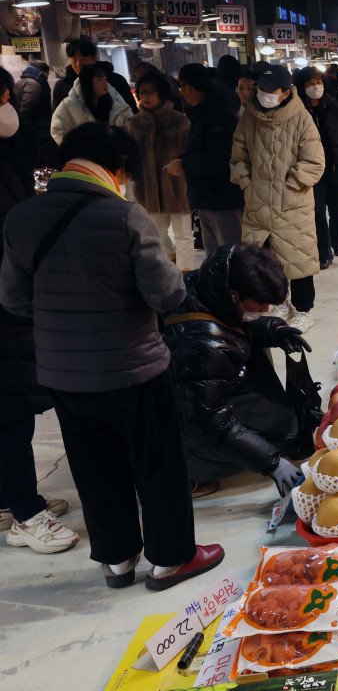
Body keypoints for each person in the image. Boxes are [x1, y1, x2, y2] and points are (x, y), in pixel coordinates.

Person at [0, 122, 223, 589]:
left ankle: (118, 561)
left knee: (93, 468)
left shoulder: (21, 218)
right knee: (156, 463)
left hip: (64, 375)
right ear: (116, 168)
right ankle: (171, 558)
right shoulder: (125, 215)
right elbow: (166, 295)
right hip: (133, 367)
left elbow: (15, 301)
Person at [0, 67, 77, 554]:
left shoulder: (16, 146)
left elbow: (36, 164)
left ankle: (12, 498)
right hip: (4, 299)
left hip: (13, 295)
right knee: (9, 407)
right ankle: (24, 513)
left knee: (17, 401)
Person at [163, 243, 309, 495]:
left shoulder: (206, 283)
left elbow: (230, 322)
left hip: (194, 391)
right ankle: (184, 472)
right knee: (282, 435)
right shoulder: (201, 344)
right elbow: (211, 421)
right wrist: (271, 462)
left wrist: (274, 330)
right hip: (184, 418)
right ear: (233, 294)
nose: (265, 310)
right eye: (261, 304)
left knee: (284, 421)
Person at [230, 65, 324, 333]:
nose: (263, 94)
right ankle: (279, 303)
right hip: (258, 202)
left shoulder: (302, 119)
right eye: (261, 89)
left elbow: (314, 161)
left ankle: (304, 310)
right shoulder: (248, 117)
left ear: (285, 93)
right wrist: (247, 183)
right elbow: (238, 154)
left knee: (299, 259)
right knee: (266, 259)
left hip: (292, 204)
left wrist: (291, 185)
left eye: (270, 91)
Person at [295, 67, 338, 270]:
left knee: (337, 208)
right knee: (317, 212)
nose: (315, 87)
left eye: (318, 83)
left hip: (336, 167)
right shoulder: (298, 111)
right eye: (310, 84)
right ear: (302, 86)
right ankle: (324, 252)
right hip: (310, 170)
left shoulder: (336, 108)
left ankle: (337, 242)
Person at [127, 72, 193, 271]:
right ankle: (170, 268)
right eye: (141, 92)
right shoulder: (134, 124)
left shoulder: (180, 121)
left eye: (150, 92)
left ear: (162, 93)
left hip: (178, 187)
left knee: (183, 234)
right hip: (147, 189)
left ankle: (186, 278)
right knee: (155, 234)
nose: (144, 97)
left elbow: (188, 153)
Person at [176, 63, 243, 256]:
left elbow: (220, 158)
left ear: (188, 87)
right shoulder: (204, 112)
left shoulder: (218, 115)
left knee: (230, 255)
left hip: (222, 197)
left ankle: (235, 287)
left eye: (181, 87)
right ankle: (220, 287)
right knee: (215, 257)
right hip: (207, 196)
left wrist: (184, 164)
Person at [50, 63, 134, 144]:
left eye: (105, 79)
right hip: (84, 157)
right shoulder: (69, 105)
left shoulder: (115, 100)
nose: (105, 84)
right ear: (88, 82)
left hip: (114, 155)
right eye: (100, 80)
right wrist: (78, 150)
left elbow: (130, 126)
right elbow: (58, 131)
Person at [52, 37, 99, 110]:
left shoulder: (113, 81)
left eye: (83, 60)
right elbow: (57, 116)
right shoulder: (61, 86)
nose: (78, 64)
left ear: (94, 59)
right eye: (74, 60)